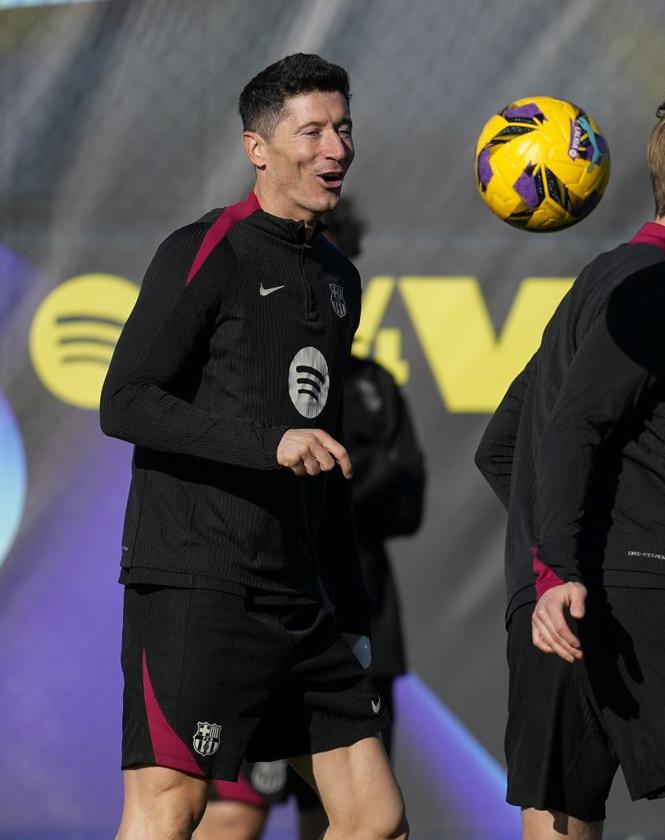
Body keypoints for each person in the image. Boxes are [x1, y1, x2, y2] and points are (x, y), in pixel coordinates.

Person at [100, 54, 408, 840]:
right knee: (171, 808)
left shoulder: (339, 279)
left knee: (373, 818)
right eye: (312, 131)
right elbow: (125, 400)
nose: (334, 148)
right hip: (201, 582)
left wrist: (349, 607)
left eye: (343, 128)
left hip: (301, 601)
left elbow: (329, 457)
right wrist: (268, 443)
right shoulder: (208, 249)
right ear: (258, 148)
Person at [477, 94, 665, 839]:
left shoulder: (600, 283)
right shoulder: (662, 285)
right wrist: (566, 568)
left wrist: (556, 569)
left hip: (556, 608)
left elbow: (504, 448)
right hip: (641, 601)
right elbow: (572, 426)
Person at [198, 198, 427, 840]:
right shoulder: (248, 373)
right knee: (234, 809)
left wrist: (350, 475)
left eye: (334, 268)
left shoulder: (374, 386)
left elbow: (408, 501)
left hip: (356, 623)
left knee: (356, 816)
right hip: (264, 615)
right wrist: (343, 469)